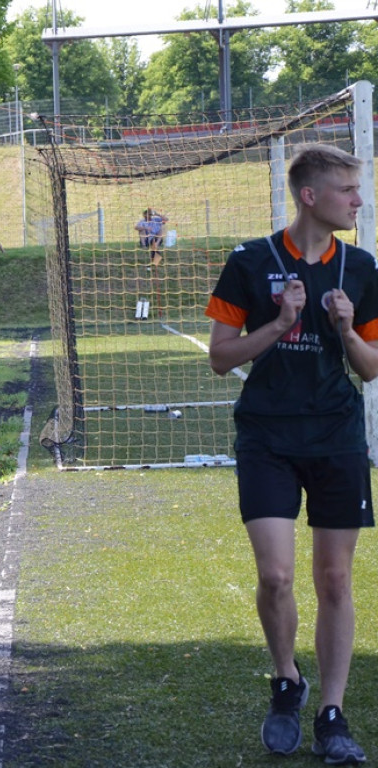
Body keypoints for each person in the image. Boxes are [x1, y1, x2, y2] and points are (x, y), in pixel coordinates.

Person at [205, 144, 378, 764]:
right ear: (311, 196)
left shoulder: (360, 266)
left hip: (336, 436)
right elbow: (220, 357)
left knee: (334, 579)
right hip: (268, 437)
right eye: (348, 191)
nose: (358, 200)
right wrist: (280, 323)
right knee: (276, 576)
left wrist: (347, 330)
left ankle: (332, 715)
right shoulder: (250, 261)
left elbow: (372, 368)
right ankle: (286, 680)